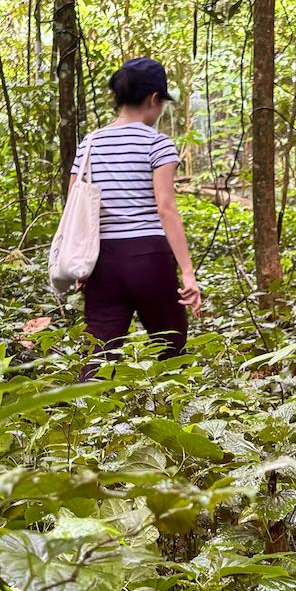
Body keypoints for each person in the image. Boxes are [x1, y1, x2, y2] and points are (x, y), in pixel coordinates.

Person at [70, 57, 201, 374]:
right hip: (149, 258)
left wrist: (81, 261)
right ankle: (173, 415)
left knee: (98, 354)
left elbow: (75, 204)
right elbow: (165, 208)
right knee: (171, 348)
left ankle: (84, 416)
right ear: (154, 99)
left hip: (103, 262)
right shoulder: (158, 144)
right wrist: (187, 272)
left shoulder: (89, 144)